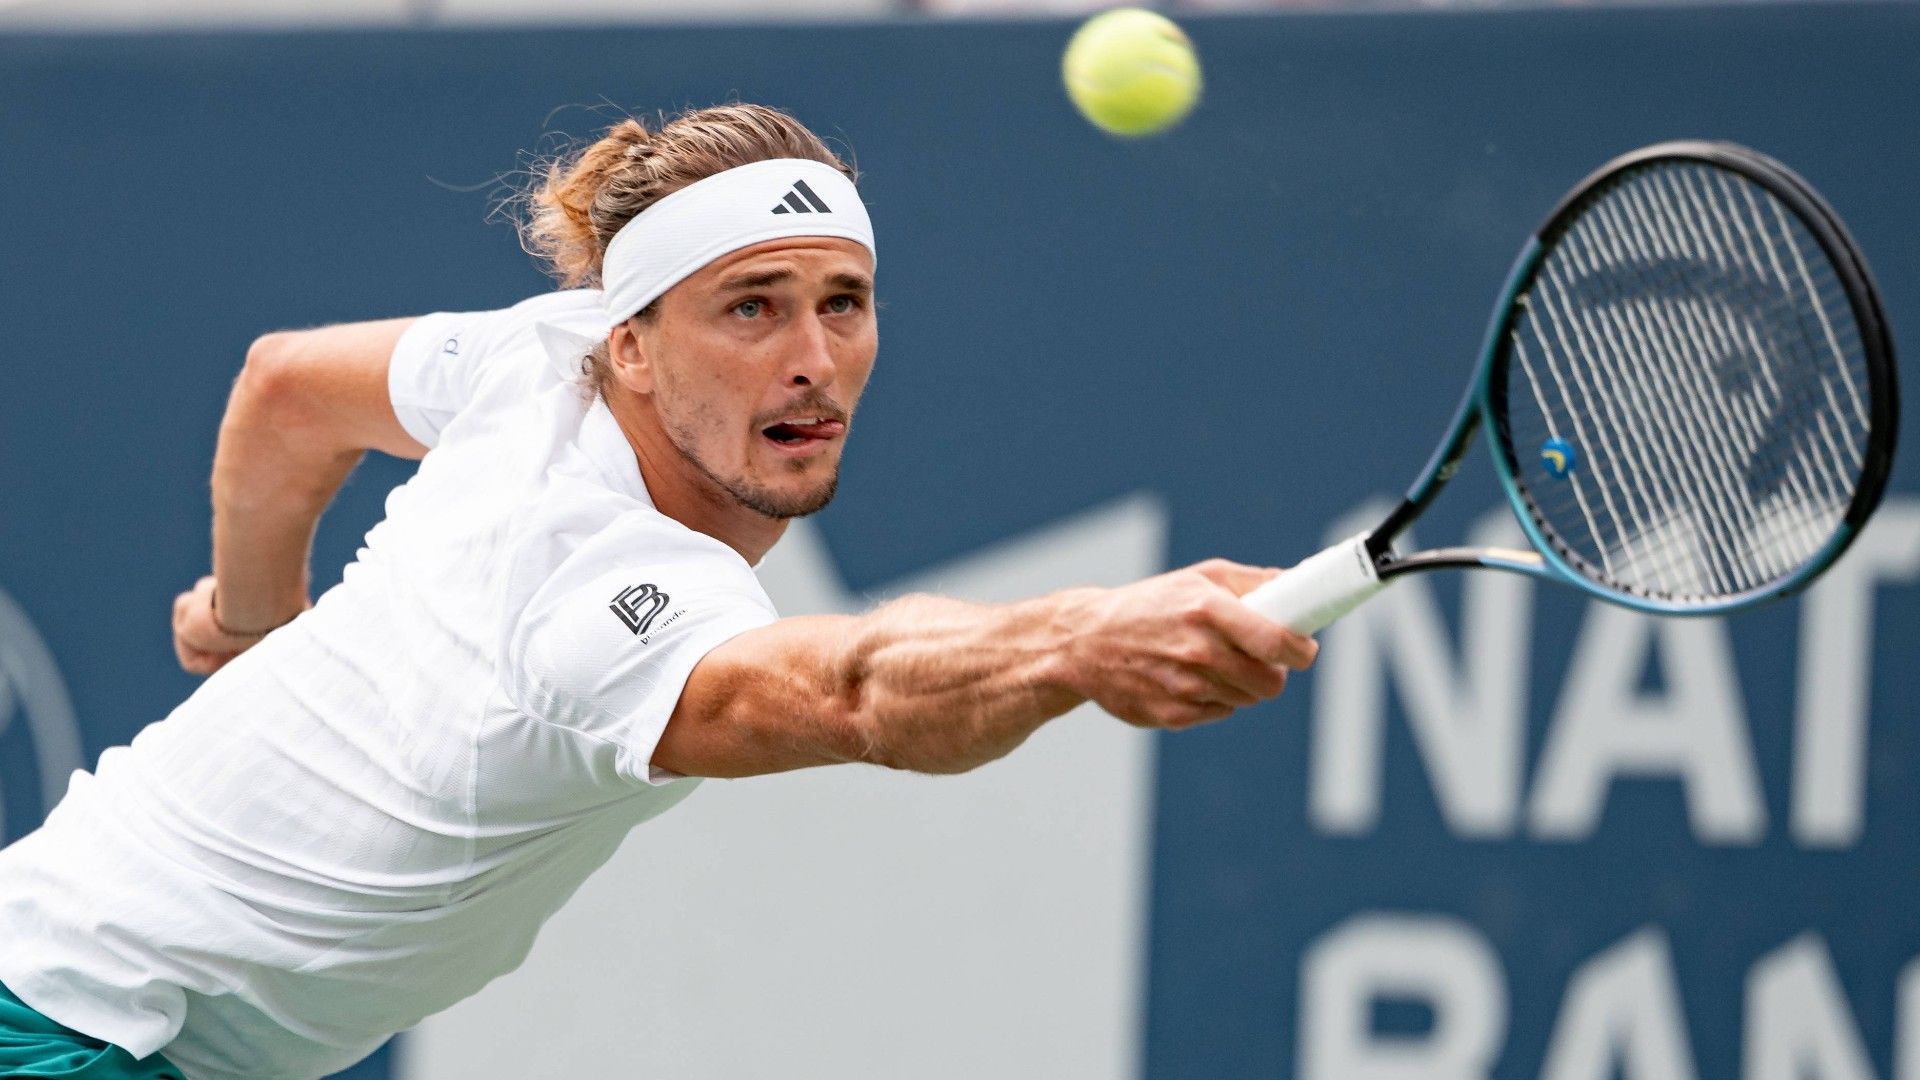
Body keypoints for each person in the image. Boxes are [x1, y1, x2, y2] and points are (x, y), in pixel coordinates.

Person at [0, 103, 1315, 1080]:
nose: (815, 360)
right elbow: (855, 693)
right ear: (633, 345)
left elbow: (285, 386)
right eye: (752, 308)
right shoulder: (595, 590)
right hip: (81, 1028)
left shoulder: (539, 355)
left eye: (843, 302)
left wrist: (249, 622)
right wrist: (1078, 638)